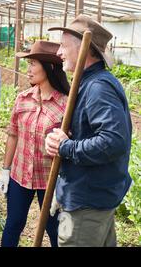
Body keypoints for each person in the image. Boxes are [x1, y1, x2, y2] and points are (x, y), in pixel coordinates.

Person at [45, 15, 132, 247]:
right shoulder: (87, 83)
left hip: (87, 203)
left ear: (86, 50)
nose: (59, 53)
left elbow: (113, 141)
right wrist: (58, 139)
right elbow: (85, 130)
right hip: (92, 198)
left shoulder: (98, 88)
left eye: (64, 46)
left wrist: (66, 147)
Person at [0, 40, 70, 247]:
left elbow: (69, 144)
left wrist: (64, 183)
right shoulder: (23, 99)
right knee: (13, 224)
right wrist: (5, 170)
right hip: (20, 175)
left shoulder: (66, 104)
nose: (28, 70)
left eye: (32, 65)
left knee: (53, 228)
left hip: (50, 180)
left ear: (49, 68)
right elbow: (13, 134)